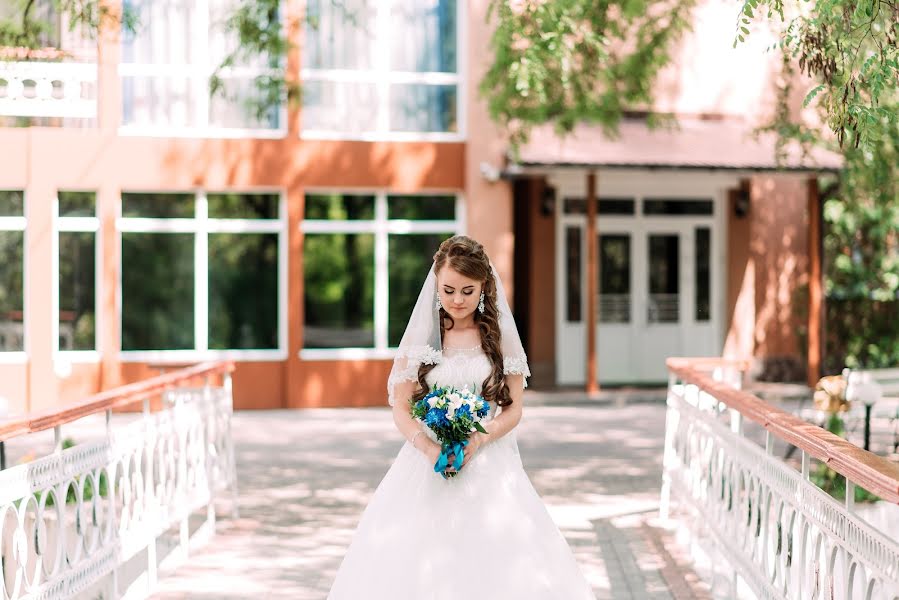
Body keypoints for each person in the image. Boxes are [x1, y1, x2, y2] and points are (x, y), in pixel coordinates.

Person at [327, 235, 596, 599]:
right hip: (426, 462)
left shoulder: (498, 339)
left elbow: (514, 408)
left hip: (488, 460)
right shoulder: (422, 338)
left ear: (483, 287)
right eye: (448, 290)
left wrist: (481, 437)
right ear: (436, 284)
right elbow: (401, 407)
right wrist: (426, 447)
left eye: (468, 292)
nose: (457, 300)